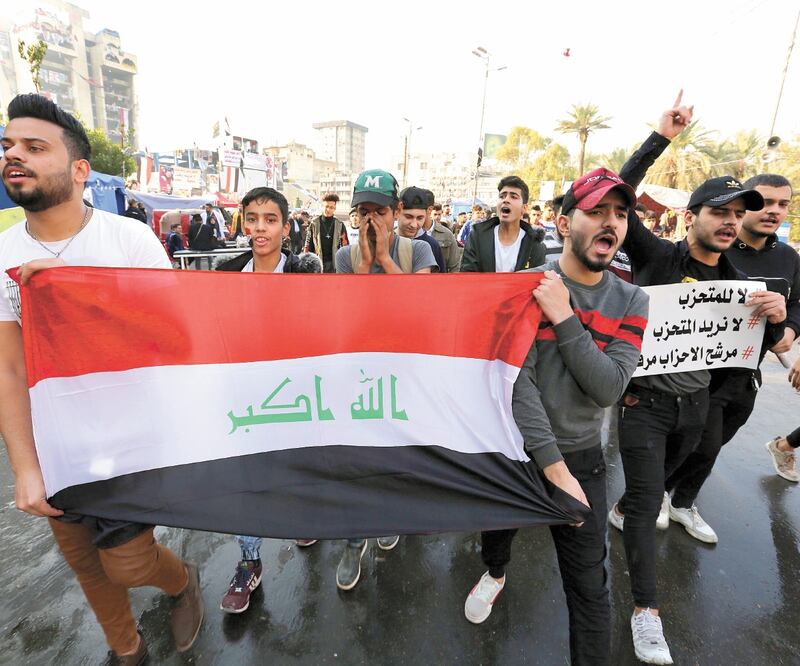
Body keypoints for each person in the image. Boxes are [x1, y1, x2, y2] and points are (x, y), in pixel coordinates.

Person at [0, 94, 203, 664]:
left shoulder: (129, 241)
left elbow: (174, 338)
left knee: (130, 561)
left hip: (129, 442)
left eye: (35, 147)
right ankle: (127, 649)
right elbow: (9, 367)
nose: (15, 156)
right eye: (8, 146)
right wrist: (24, 466)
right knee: (87, 565)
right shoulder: (4, 253)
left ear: (80, 169)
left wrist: (82, 286)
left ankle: (182, 581)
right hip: (54, 446)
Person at [608, 96, 786, 664]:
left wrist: (777, 322)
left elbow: (764, 346)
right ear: (693, 218)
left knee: (661, 485)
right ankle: (646, 612)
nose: (731, 223)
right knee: (642, 504)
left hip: (698, 408)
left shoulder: (742, 282)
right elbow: (619, 193)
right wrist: (661, 138)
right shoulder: (655, 256)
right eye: (720, 213)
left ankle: (650, 504)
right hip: (643, 403)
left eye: (740, 215)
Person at [465, 167, 649, 666]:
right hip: (515, 454)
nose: (611, 222)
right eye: (597, 211)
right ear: (565, 224)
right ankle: (496, 573)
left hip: (584, 462)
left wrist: (564, 316)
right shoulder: (524, 287)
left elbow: (608, 386)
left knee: (590, 589)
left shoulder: (632, 300)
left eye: (620, 213)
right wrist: (552, 466)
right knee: (497, 535)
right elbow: (513, 380)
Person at [659, 173, 798, 525]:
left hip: (748, 375)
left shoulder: (788, 257)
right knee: (698, 444)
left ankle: (681, 502)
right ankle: (655, 495)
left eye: (783, 204)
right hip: (700, 374)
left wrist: (791, 328)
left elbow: (798, 302)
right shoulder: (714, 251)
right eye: (765, 202)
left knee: (712, 448)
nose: (773, 211)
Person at [215, 187, 321, 613]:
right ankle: (249, 560)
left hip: (293, 390)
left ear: (285, 225)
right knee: (247, 476)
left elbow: (319, 323)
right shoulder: (224, 270)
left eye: (270, 219)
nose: (260, 227)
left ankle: (301, 518)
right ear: (243, 222)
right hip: (241, 393)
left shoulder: (304, 270)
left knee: (296, 463)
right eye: (253, 218)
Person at [334, 168, 436, 589]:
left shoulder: (418, 252)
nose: (370, 220)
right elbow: (342, 317)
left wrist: (386, 262)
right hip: (359, 374)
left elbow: (423, 311)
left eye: (379, 211)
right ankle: (353, 537)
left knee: (396, 455)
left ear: (396, 212)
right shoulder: (343, 258)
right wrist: (362, 268)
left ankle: (390, 515)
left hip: (404, 373)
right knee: (357, 458)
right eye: (363, 211)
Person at [460, 176, 545, 273]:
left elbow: (537, 282)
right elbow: (467, 277)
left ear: (524, 208)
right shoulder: (477, 237)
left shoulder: (535, 244)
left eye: (513, 197)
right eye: (502, 196)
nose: (506, 200)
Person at [396, 187, 445, 273]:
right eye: (408, 217)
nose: (414, 225)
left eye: (420, 218)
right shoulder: (385, 241)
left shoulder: (432, 245)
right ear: (397, 212)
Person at [304, 193, 349, 273]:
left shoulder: (340, 225)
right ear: (322, 206)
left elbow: (345, 246)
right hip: (317, 263)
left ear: (335, 208)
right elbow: (308, 244)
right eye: (326, 206)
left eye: (331, 207)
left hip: (334, 264)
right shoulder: (314, 224)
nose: (328, 209)